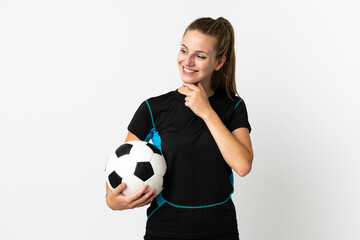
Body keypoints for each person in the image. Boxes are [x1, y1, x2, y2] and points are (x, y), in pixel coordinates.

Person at [105, 16, 254, 240]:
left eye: (200, 56)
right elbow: (121, 172)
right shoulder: (152, 109)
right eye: (184, 51)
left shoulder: (233, 107)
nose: (188, 61)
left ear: (219, 62)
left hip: (220, 231)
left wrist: (207, 112)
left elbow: (242, 165)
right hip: (165, 232)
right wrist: (113, 201)